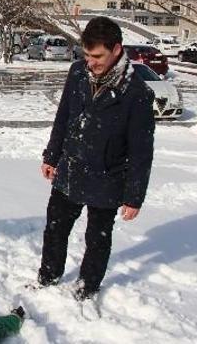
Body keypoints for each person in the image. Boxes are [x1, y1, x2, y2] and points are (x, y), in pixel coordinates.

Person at [37, 16, 155, 300]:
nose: (91, 62)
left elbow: (142, 150)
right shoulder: (78, 72)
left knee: (97, 238)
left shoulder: (136, 93)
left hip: (108, 176)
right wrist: (52, 155)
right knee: (55, 228)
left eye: (97, 56)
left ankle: (86, 287)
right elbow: (63, 116)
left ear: (116, 49)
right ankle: (48, 277)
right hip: (71, 167)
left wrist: (134, 196)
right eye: (87, 55)